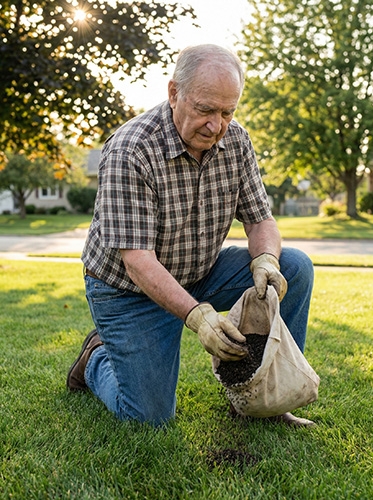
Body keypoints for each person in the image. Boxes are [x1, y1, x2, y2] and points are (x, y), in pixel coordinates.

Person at [67, 44, 315, 427]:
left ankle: (262, 394)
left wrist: (265, 258)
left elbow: (260, 221)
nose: (216, 126)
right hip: (128, 292)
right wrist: (198, 318)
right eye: (204, 110)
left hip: (200, 272)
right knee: (148, 418)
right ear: (173, 94)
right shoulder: (131, 149)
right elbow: (138, 261)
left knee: (293, 266)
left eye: (227, 112)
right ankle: (95, 358)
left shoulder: (236, 141)